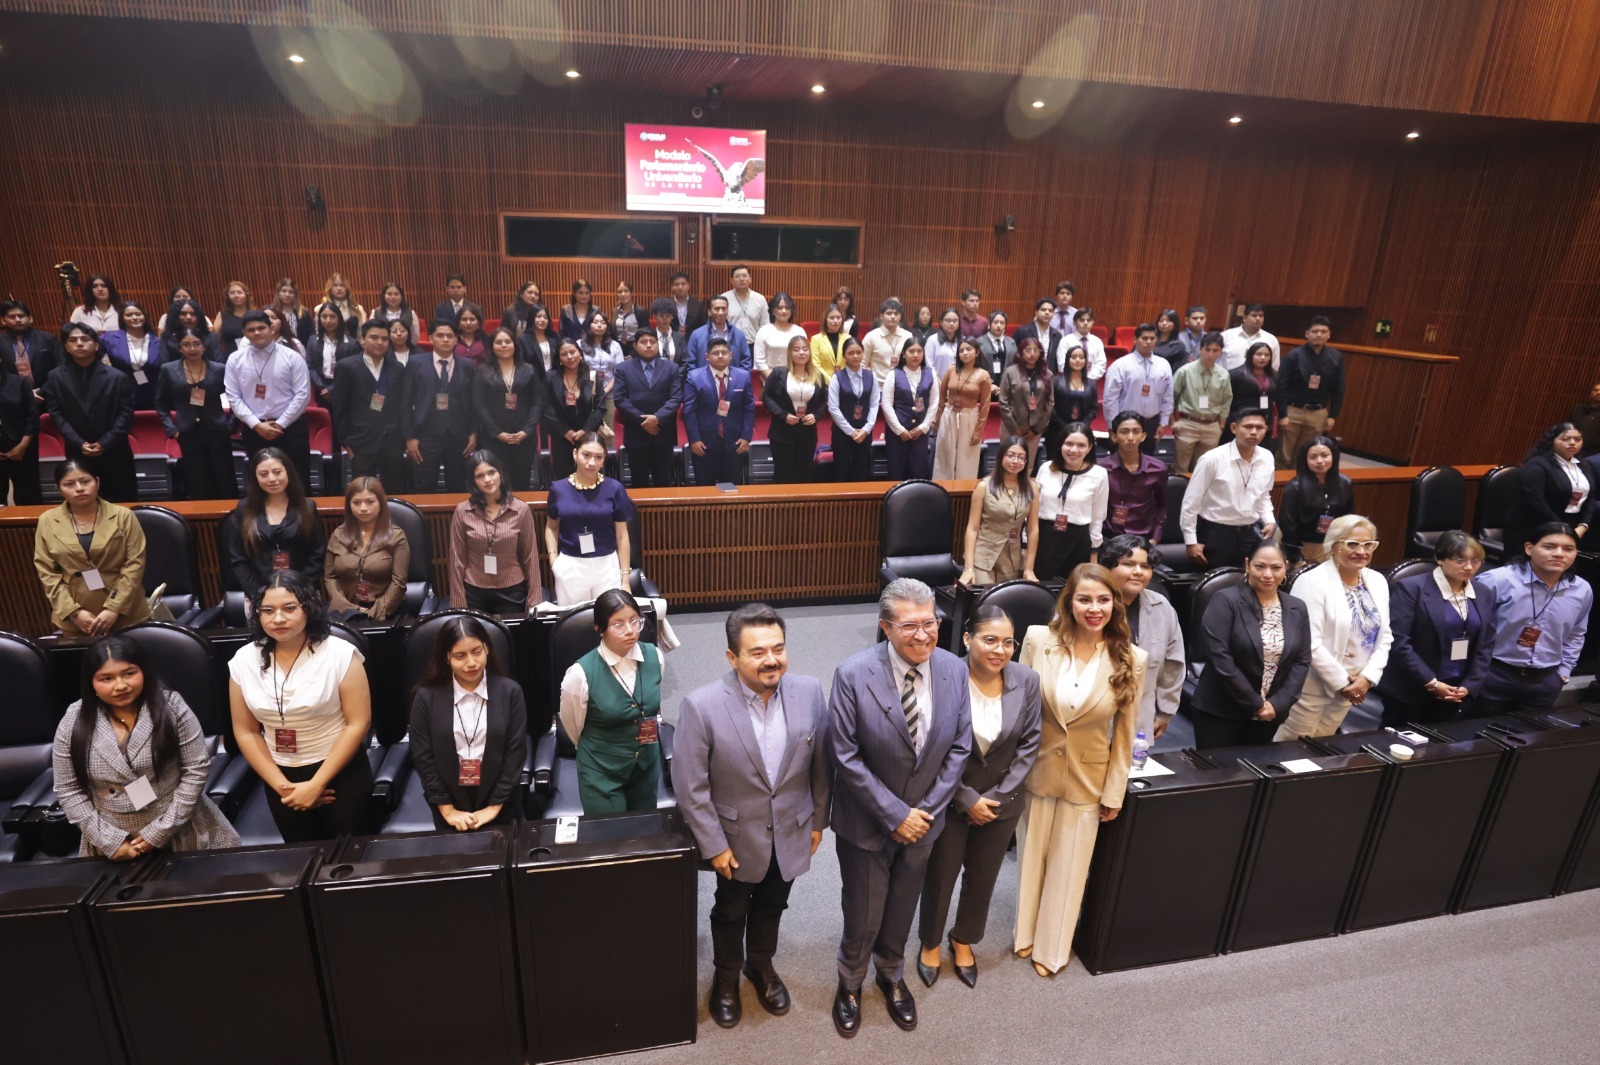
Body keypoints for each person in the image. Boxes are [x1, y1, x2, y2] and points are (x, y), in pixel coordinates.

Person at [827, 578, 972, 1037]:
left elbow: (960, 747)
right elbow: (844, 755)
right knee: (863, 911)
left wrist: (923, 813)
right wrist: (895, 815)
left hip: (925, 822)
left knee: (903, 906)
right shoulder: (852, 674)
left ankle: (891, 973)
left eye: (930, 622)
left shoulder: (954, 669)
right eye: (910, 626)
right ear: (886, 627)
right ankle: (850, 981)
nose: (923, 634)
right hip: (868, 823)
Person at [676, 603, 831, 1028]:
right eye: (757, 652)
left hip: (792, 829)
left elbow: (821, 764)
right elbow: (691, 787)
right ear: (732, 657)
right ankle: (726, 977)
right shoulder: (701, 705)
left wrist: (818, 820)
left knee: (773, 904)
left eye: (778, 648)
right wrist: (713, 845)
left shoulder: (809, 691)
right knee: (730, 910)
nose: (771, 660)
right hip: (734, 838)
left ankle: (760, 965)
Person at [1016, 563, 1146, 976]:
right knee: (1031, 858)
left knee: (1069, 867)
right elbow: (1018, 710)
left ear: (1115, 604)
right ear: (1068, 602)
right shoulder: (1038, 640)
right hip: (1036, 768)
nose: (1094, 608)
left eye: (1103, 600)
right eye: (1085, 599)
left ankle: (1052, 950)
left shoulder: (1132, 658)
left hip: (1089, 776)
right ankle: (1024, 934)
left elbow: (1124, 733)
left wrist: (1115, 791)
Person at [916, 605, 1041, 989]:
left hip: (1002, 803)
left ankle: (964, 938)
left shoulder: (1027, 680)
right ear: (968, 639)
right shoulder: (943, 678)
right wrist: (966, 797)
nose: (1000, 650)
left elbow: (1030, 744)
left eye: (1008, 642)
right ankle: (930, 943)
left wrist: (998, 798)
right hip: (950, 799)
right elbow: (930, 747)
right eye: (990, 640)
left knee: (983, 876)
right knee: (941, 874)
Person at [52, 634, 239, 858]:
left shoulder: (171, 706)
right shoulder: (75, 718)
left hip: (180, 826)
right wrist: (109, 841)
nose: (120, 685)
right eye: (106, 678)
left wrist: (160, 831)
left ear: (144, 672)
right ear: (91, 682)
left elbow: (196, 770)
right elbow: (68, 789)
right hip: (112, 838)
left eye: (129, 673)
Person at [227, 572, 373, 842]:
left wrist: (316, 784)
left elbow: (358, 723)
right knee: (299, 855)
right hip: (280, 777)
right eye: (268, 610)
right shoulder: (243, 660)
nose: (278, 618)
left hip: (339, 773)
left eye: (289, 608)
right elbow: (246, 731)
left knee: (350, 856)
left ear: (308, 608)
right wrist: (282, 787)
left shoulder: (340, 654)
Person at [1275, 515, 1391, 740]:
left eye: (1368, 544)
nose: (1362, 551)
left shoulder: (1378, 581)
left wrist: (1367, 678)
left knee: (1324, 745)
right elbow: (1309, 642)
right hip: (1311, 688)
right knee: (1292, 748)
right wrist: (1342, 683)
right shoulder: (1312, 582)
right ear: (1334, 545)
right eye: (1353, 544)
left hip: (1355, 685)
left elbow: (1384, 635)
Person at [408, 615, 529, 831]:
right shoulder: (426, 697)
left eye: (477, 652)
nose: (471, 663)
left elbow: (515, 753)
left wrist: (494, 807)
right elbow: (423, 758)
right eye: (460, 656)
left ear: (487, 649)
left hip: (503, 805)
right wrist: (448, 810)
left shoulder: (510, 691)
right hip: (450, 808)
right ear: (447, 657)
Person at [1192, 541, 1312, 748]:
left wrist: (1278, 704)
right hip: (1222, 711)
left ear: (1286, 567)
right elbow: (1220, 657)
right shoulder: (1225, 600)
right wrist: (1256, 704)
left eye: (1276, 567)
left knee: (1256, 767)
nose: (1268, 574)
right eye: (1260, 566)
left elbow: (1302, 661)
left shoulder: (1297, 607)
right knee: (1217, 767)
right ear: (1248, 565)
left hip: (1271, 713)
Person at [558, 588, 666, 814]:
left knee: (645, 829)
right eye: (618, 624)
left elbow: (652, 706)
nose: (630, 631)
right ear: (599, 629)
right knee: (610, 833)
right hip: (601, 772)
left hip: (645, 765)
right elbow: (573, 726)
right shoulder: (580, 675)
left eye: (634, 621)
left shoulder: (655, 656)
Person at [1378, 531, 1498, 726]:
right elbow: (1399, 641)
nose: (1469, 567)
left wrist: (1470, 684)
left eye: (1476, 561)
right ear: (1440, 559)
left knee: (1441, 741)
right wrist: (1432, 683)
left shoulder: (1482, 592)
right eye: (1460, 560)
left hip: (1456, 690)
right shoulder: (1411, 588)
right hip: (1412, 689)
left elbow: (1486, 643)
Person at [1473, 522, 1592, 717]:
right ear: (1529, 548)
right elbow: (1470, 627)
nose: (1559, 554)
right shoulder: (1497, 581)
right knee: (1475, 731)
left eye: (1568, 549)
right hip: (1494, 673)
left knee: (1530, 734)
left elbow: (1576, 633)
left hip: (1545, 680)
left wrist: (1563, 672)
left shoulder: (1581, 589)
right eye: (1549, 547)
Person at [34, 459, 151, 635]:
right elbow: (47, 573)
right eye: (69, 484)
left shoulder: (123, 516)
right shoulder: (47, 520)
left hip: (126, 613)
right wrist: (74, 613)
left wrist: (114, 608)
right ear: (59, 489)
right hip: (77, 618)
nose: (79, 488)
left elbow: (135, 564)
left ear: (97, 482)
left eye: (85, 481)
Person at [1098, 536, 1185, 739]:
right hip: (1090, 720)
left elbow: (1173, 664)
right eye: (1128, 564)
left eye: (1145, 566)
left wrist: (1165, 712)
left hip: (1141, 717)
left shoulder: (1161, 607)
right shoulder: (1087, 606)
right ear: (1107, 568)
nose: (1138, 572)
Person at [224, 309, 314, 491]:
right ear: (244, 333)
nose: (257, 333)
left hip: (290, 429)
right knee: (262, 484)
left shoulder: (292, 356)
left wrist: (280, 424)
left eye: (261, 328)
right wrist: (256, 425)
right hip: (255, 430)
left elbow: (302, 395)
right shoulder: (235, 359)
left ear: (271, 329)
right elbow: (233, 397)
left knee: (297, 481)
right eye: (251, 330)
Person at [224, 447, 327, 602]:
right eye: (263, 474)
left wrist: (298, 592)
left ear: (288, 472)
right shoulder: (244, 509)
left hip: (302, 593)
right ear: (255, 477)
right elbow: (239, 559)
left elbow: (316, 555)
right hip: (258, 594)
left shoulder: (307, 507)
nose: (271, 479)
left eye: (277, 472)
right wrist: (259, 595)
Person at [1180, 407, 1277, 569]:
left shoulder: (1267, 457)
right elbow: (1191, 502)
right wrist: (1191, 541)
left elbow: (1264, 494)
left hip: (1250, 533)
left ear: (1266, 430)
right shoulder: (1211, 459)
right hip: (1215, 534)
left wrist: (1269, 519)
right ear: (1234, 428)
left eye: (1259, 427)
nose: (1254, 432)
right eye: (1248, 427)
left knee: (1246, 579)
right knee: (1216, 580)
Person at [447, 450, 541, 614]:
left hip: (512, 590)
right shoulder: (462, 511)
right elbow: (457, 561)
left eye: (491, 472)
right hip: (474, 591)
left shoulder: (520, 509)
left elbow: (530, 557)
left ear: (500, 473)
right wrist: (459, 606)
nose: (487, 480)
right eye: (480, 476)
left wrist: (534, 602)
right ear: (473, 481)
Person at [544, 433, 633, 604]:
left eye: (598, 457)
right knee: (574, 618)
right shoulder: (558, 489)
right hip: (571, 565)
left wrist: (625, 579)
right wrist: (554, 560)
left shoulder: (615, 488)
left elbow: (622, 535)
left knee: (609, 617)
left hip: (606, 565)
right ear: (575, 454)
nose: (592, 463)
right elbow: (551, 527)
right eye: (586, 455)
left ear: (604, 458)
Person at [154, 328, 234, 500]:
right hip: (187, 433)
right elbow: (160, 403)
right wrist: (172, 430)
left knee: (224, 479)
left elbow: (235, 398)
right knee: (198, 482)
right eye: (186, 344)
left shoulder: (220, 369)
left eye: (196, 343)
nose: (192, 348)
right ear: (180, 348)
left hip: (217, 431)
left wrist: (231, 426)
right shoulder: (168, 369)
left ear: (204, 346)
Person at [331, 320, 406, 492]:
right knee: (363, 490)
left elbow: (401, 405)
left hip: (392, 441)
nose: (380, 342)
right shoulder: (347, 366)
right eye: (374, 337)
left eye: (384, 339)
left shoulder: (397, 368)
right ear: (362, 340)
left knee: (394, 489)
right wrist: (344, 439)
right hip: (361, 441)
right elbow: (340, 406)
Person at [403, 320, 478, 492]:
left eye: (450, 336)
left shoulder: (466, 365)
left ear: (456, 339)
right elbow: (405, 403)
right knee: (425, 486)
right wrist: (409, 437)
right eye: (440, 335)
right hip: (425, 435)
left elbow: (473, 403)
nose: (445, 339)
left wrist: (474, 433)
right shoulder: (415, 363)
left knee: (458, 487)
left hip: (458, 436)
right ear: (430, 338)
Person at [323, 476, 409, 621]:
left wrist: (376, 611)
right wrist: (347, 608)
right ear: (349, 505)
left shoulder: (396, 536)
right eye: (356, 502)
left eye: (370, 502)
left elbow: (399, 581)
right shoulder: (338, 535)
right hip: (344, 613)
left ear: (381, 503)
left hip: (387, 614)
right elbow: (330, 577)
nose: (363, 508)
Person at [959, 438, 1039, 586]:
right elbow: (972, 528)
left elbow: (1033, 529)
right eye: (1010, 455)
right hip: (983, 556)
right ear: (1001, 456)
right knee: (985, 596)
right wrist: (968, 568)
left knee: (1007, 598)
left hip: (1012, 558)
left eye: (1021, 457)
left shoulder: (1031, 488)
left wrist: (1029, 568)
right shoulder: (984, 486)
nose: (1015, 461)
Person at [1033, 423, 1108, 581]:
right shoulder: (1046, 468)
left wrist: (1094, 552)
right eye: (1069, 444)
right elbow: (1033, 510)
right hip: (1045, 538)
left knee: (1073, 587)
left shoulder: (1099, 474)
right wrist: (1026, 544)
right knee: (1042, 587)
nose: (1074, 450)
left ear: (1089, 448)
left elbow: (1098, 516)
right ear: (1060, 444)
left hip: (1078, 541)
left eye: (1081, 445)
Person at [473, 326, 541, 492]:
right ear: (492, 346)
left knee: (522, 483)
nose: (504, 345)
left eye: (507, 341)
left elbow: (536, 403)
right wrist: (497, 433)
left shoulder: (528, 369)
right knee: (497, 485)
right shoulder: (483, 370)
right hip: (494, 438)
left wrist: (526, 431)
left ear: (514, 344)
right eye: (499, 342)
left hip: (524, 438)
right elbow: (479, 404)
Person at [614, 331, 682, 489]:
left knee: (664, 480)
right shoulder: (623, 369)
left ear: (658, 345)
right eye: (644, 342)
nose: (649, 345)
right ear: (635, 345)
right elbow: (620, 399)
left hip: (663, 434)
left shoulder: (671, 368)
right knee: (638, 481)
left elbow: (675, 398)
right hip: (636, 434)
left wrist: (656, 419)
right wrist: (645, 421)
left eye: (652, 341)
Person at [1514, 422, 1594, 554]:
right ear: (1552, 440)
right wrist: (1562, 529)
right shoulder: (1537, 465)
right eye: (1565, 439)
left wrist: (1583, 526)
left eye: (1577, 439)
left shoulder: (1583, 465)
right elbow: (1535, 501)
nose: (1572, 443)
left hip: (1572, 527)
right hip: (1535, 526)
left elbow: (1589, 499)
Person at [684, 337, 754, 486]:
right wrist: (694, 439)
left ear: (730, 355)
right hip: (704, 442)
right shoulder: (694, 377)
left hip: (734, 442)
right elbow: (689, 411)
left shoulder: (743, 376)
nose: (720, 356)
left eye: (724, 352)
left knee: (730, 488)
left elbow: (748, 408)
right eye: (716, 353)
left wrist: (746, 436)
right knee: (705, 488)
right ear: (707, 356)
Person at [1277, 316, 1345, 467]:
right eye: (1315, 331)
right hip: (1293, 411)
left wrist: (1332, 416)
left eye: (1323, 331)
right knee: (1283, 455)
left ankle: (1300, 481)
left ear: (1329, 335)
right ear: (1307, 333)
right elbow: (1282, 386)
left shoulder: (1336, 357)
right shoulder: (1294, 355)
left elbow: (1339, 389)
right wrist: (1283, 414)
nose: (1319, 335)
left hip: (1318, 413)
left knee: (1305, 454)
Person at [1279, 435, 1355, 564]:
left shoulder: (1345, 483)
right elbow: (1288, 525)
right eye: (1313, 457)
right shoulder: (1294, 487)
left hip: (1331, 545)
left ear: (1334, 456)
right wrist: (1296, 557)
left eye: (1325, 455)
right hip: (1300, 547)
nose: (1319, 461)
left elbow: (1348, 517)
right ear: (1305, 460)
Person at [1101, 323, 1173, 454]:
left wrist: (1163, 423)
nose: (1148, 342)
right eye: (1144, 338)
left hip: (1151, 422)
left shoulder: (1164, 364)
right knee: (1121, 461)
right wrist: (1112, 426)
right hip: (1125, 423)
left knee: (1146, 460)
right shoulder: (1120, 365)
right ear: (1135, 340)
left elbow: (1167, 397)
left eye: (1152, 338)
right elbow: (1110, 399)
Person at [765, 335, 828, 484]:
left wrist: (816, 416)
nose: (801, 353)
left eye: (805, 349)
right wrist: (783, 415)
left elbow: (823, 401)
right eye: (797, 349)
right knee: (783, 475)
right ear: (790, 353)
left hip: (807, 433)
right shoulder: (779, 373)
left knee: (804, 474)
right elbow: (767, 397)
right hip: (781, 433)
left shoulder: (818, 375)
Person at [1099, 412, 1168, 544]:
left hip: (1143, 537)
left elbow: (1162, 506)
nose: (1130, 437)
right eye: (1124, 432)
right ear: (1114, 436)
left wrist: (1155, 538)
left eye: (1136, 432)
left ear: (1143, 436)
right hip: (1109, 537)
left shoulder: (1158, 469)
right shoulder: (1101, 469)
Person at [1170, 330, 1232, 475]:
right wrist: (1173, 422)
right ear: (1200, 349)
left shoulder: (1224, 375)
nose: (1211, 354)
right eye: (1207, 349)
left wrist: (1221, 426)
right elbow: (1170, 398)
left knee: (1203, 470)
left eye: (1215, 350)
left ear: (1220, 352)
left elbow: (1226, 401)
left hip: (1212, 426)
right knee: (1181, 469)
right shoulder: (1185, 371)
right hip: (1187, 424)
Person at [543, 340, 605, 482]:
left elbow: (600, 406)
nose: (570, 357)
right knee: (564, 478)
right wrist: (565, 431)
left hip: (589, 437)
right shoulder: (551, 377)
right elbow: (546, 407)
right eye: (564, 354)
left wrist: (585, 430)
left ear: (580, 353)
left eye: (573, 352)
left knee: (589, 475)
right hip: (561, 437)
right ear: (559, 358)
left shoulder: (592, 376)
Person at [932, 339, 991, 481]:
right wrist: (938, 419)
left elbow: (985, 404)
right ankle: (942, 488)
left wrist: (979, 431)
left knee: (966, 458)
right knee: (944, 456)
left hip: (969, 416)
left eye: (968, 349)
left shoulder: (983, 375)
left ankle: (964, 490)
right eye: (961, 350)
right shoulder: (951, 370)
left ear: (977, 352)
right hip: (949, 414)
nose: (964, 353)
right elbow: (942, 396)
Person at [882, 338, 939, 481]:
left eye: (919, 351)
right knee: (897, 473)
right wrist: (899, 430)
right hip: (897, 433)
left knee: (918, 473)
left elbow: (934, 403)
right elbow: (887, 405)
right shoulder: (893, 374)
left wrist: (924, 427)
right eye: (911, 351)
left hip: (920, 433)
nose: (916, 355)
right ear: (903, 354)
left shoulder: (930, 373)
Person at [827, 336, 879, 482]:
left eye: (858, 352)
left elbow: (874, 404)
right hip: (842, 433)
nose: (855, 356)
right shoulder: (837, 377)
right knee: (841, 471)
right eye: (851, 353)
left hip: (864, 432)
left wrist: (866, 429)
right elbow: (833, 408)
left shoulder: (871, 375)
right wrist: (851, 431)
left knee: (861, 471)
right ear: (844, 355)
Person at [997, 336, 1053, 470]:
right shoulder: (1011, 372)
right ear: (1021, 352)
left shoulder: (1047, 374)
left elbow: (1050, 403)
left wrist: (1036, 429)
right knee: (1008, 462)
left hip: (1033, 429)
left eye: (1035, 350)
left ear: (1040, 352)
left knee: (1027, 464)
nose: (1032, 353)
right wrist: (1015, 428)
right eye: (1028, 350)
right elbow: (1003, 401)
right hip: (1011, 426)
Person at [101, 302, 162, 410]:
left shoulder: (157, 341)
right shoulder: (109, 338)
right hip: (122, 394)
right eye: (129, 315)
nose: (134, 317)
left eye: (138, 314)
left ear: (144, 316)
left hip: (152, 395)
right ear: (122, 318)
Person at [0, 348, 40, 505]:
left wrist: (23, 445)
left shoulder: (19, 383)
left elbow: (32, 417)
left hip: (22, 445)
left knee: (28, 494)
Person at [2, 299, 64, 399]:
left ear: (30, 318)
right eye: (12, 317)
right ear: (3, 320)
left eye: (21, 316)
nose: (17, 320)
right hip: (12, 397)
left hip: (48, 394)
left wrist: (41, 391)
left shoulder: (46, 338)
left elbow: (61, 366)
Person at [578, 310, 623, 441]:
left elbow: (619, 372)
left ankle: (608, 455)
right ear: (589, 325)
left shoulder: (615, 346)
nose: (599, 325)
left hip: (608, 394)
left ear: (607, 326)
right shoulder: (579, 344)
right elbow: (575, 369)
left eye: (603, 323)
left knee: (607, 432)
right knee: (586, 431)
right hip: (585, 395)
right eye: (595, 322)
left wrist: (604, 391)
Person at [1229, 340, 1279, 457]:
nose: (1263, 358)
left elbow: (1277, 398)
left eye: (1266, 355)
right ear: (1250, 355)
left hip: (1265, 420)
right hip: (1241, 419)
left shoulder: (1274, 375)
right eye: (1259, 354)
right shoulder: (1236, 374)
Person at [685, 295, 754, 373]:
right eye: (717, 309)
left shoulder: (739, 335)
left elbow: (746, 363)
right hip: (704, 380)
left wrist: (740, 379)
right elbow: (691, 364)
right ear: (709, 312)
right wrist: (698, 379)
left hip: (733, 380)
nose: (721, 313)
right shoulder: (697, 335)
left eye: (724, 309)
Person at [754, 292, 806, 379]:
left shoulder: (799, 331)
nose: (784, 311)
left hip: (796, 378)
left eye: (787, 308)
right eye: (780, 308)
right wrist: (774, 379)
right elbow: (759, 361)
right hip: (770, 378)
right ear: (773, 311)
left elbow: (804, 357)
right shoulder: (764, 331)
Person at [1049, 345, 1099, 433]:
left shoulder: (1092, 383)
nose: (1078, 360)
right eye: (1074, 357)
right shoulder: (1056, 381)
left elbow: (1093, 409)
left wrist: (1081, 427)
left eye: (1082, 357)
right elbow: (1051, 407)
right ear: (1067, 359)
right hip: (1057, 429)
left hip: (1082, 430)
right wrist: (1065, 427)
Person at [862, 298, 911, 385]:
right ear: (881, 316)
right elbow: (862, 364)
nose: (893, 316)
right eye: (889, 313)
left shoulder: (908, 336)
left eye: (896, 313)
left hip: (902, 386)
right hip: (878, 386)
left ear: (900, 316)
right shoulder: (871, 336)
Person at [1011, 299, 1067, 374]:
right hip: (1024, 373)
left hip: (1047, 375)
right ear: (1036, 312)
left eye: (1050, 311)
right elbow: (1013, 354)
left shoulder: (1057, 335)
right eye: (1043, 310)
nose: (1047, 313)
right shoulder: (1023, 331)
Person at [1221, 303, 1279, 372]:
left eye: (1261, 316)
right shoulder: (1226, 336)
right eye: (1254, 315)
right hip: (1228, 377)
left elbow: (1274, 367)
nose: (1258, 318)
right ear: (1244, 318)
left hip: (1258, 378)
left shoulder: (1271, 340)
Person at [721, 265, 769, 346]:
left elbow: (765, 324)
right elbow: (720, 323)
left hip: (754, 344)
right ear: (731, 280)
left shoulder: (760, 299)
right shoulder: (724, 298)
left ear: (750, 279)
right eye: (737, 276)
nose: (741, 279)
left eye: (744, 276)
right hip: (731, 344)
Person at [1061, 308, 1107, 381]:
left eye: (1089, 320)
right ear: (1075, 323)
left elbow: (1101, 365)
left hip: (1092, 382)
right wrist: (1077, 379)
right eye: (1082, 320)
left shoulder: (1097, 341)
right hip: (1070, 382)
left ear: (1093, 322)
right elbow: (1062, 365)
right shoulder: (1065, 341)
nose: (1085, 323)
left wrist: (1088, 379)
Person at [518, 302, 560, 380]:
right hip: (533, 380)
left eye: (545, 317)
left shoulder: (554, 336)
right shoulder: (523, 339)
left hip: (553, 379)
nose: (542, 320)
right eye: (538, 316)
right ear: (532, 318)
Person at [212, 281, 254, 351]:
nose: (236, 296)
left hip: (255, 351)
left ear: (247, 294)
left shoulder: (255, 313)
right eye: (232, 293)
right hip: (231, 352)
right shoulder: (223, 314)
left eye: (240, 292)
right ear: (228, 296)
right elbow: (215, 338)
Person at [267, 278, 311, 344]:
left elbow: (310, 334)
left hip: (300, 346)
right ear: (278, 293)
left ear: (295, 295)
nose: (287, 294)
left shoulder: (304, 312)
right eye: (284, 291)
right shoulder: (271, 311)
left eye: (291, 292)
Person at [811, 304, 849, 378]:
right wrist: (831, 381)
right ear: (825, 320)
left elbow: (851, 363)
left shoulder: (848, 338)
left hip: (845, 380)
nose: (835, 321)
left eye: (838, 317)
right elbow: (816, 365)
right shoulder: (816, 339)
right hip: (823, 381)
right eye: (832, 318)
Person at [924, 308, 963, 379]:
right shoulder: (932, 340)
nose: (952, 323)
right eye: (948, 320)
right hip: (937, 382)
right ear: (941, 322)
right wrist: (940, 383)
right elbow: (929, 366)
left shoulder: (963, 340)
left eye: (955, 321)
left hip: (959, 382)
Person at [977, 311, 1015, 382]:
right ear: (989, 325)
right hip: (985, 382)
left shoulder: (1012, 342)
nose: (999, 325)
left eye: (1002, 323)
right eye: (996, 322)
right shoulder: (979, 342)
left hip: (1006, 383)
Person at [667, 271, 707, 336]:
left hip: (693, 339)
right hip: (672, 339)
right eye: (676, 284)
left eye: (683, 284)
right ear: (672, 287)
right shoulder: (667, 305)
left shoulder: (698, 305)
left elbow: (703, 327)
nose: (680, 287)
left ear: (688, 286)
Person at [612, 281, 642, 358]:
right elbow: (612, 333)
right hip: (617, 348)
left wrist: (633, 354)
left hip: (635, 348)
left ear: (631, 293)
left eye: (626, 291)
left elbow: (644, 334)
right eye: (620, 292)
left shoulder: (641, 311)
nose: (623, 294)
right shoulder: (615, 311)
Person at [1570, 383, 1600, 457]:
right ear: (1591, 392)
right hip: (1571, 449)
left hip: (1592, 455)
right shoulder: (1578, 409)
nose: (1598, 393)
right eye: (1596, 390)